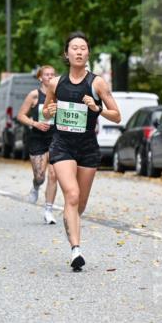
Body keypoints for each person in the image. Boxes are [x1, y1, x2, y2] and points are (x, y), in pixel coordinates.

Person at [41, 32, 120, 271]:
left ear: (88, 53)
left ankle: (71, 221)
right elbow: (45, 111)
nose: (78, 52)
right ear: (66, 54)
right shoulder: (56, 83)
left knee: (79, 205)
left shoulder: (97, 83)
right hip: (62, 144)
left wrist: (97, 108)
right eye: (74, 48)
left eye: (83, 48)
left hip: (87, 147)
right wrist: (49, 111)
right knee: (72, 195)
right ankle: (76, 249)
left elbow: (116, 116)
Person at [16, 65, 58, 224]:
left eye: (52, 74)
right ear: (40, 78)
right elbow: (20, 115)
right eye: (47, 74)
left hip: (55, 138)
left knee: (54, 175)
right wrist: (35, 123)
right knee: (40, 176)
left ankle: (48, 210)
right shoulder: (34, 95)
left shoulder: (59, 95)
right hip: (37, 138)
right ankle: (36, 186)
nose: (50, 77)